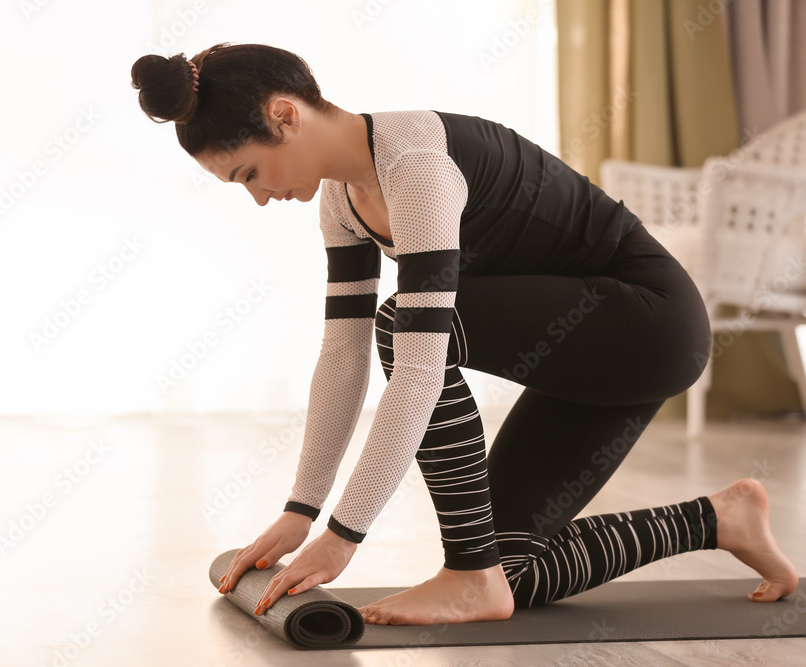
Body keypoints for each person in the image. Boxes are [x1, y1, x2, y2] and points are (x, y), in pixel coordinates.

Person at [130, 42, 800, 626]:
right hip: (582, 352)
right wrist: (301, 509)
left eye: (248, 172)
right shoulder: (342, 198)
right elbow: (341, 354)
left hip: (651, 325)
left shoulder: (417, 167)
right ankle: (720, 517)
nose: (256, 196)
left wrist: (343, 535)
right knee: (515, 571)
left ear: (285, 115)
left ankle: (468, 573)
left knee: (412, 327)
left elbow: (420, 366)